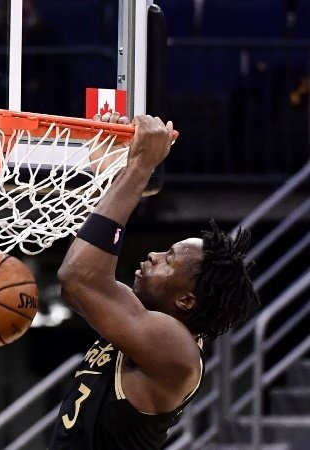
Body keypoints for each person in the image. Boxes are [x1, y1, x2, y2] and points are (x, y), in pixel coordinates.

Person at [48, 113, 259, 449]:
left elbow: (78, 278)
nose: (153, 256)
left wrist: (140, 167)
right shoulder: (144, 323)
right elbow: (78, 288)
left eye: (169, 260)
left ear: (186, 300)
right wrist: (110, 180)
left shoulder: (176, 349)